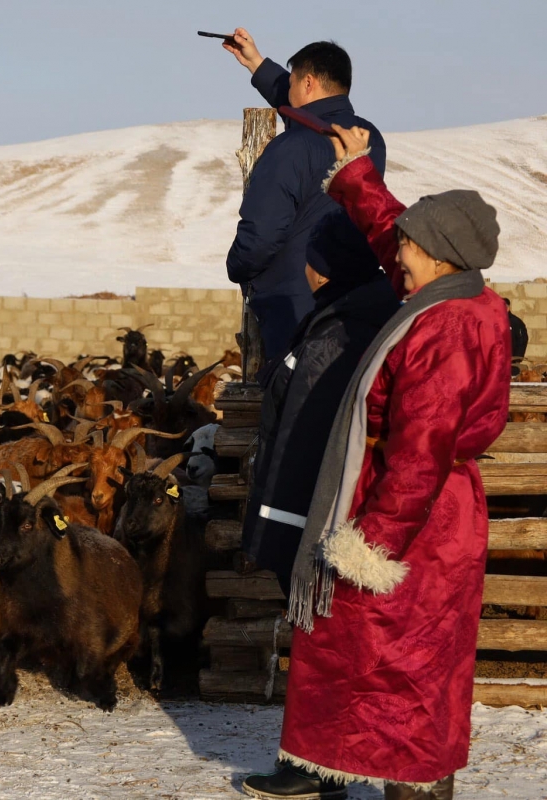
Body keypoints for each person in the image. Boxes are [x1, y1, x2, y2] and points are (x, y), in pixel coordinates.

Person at [243, 126, 510, 800]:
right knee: (391, 659)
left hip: (418, 527)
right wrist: (357, 173)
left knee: (402, 664)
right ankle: (372, 774)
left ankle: (414, 787)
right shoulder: (444, 294)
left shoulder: (448, 327)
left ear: (441, 256)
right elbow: (397, 231)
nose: (401, 256)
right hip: (426, 518)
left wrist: (373, 543)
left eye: (413, 250)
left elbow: (422, 448)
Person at [240, 208, 399, 593]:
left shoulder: (335, 337)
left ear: (324, 268)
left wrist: (278, 536)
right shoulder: (353, 316)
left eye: (309, 260)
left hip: (319, 521)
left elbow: (302, 439)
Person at [222, 29, 386, 360]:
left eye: (295, 81)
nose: (290, 88)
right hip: (353, 298)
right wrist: (257, 63)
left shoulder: (290, 147)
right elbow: (309, 113)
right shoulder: (369, 139)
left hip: (293, 306)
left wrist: (238, 269)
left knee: (291, 400)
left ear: (308, 83)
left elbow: (262, 233)